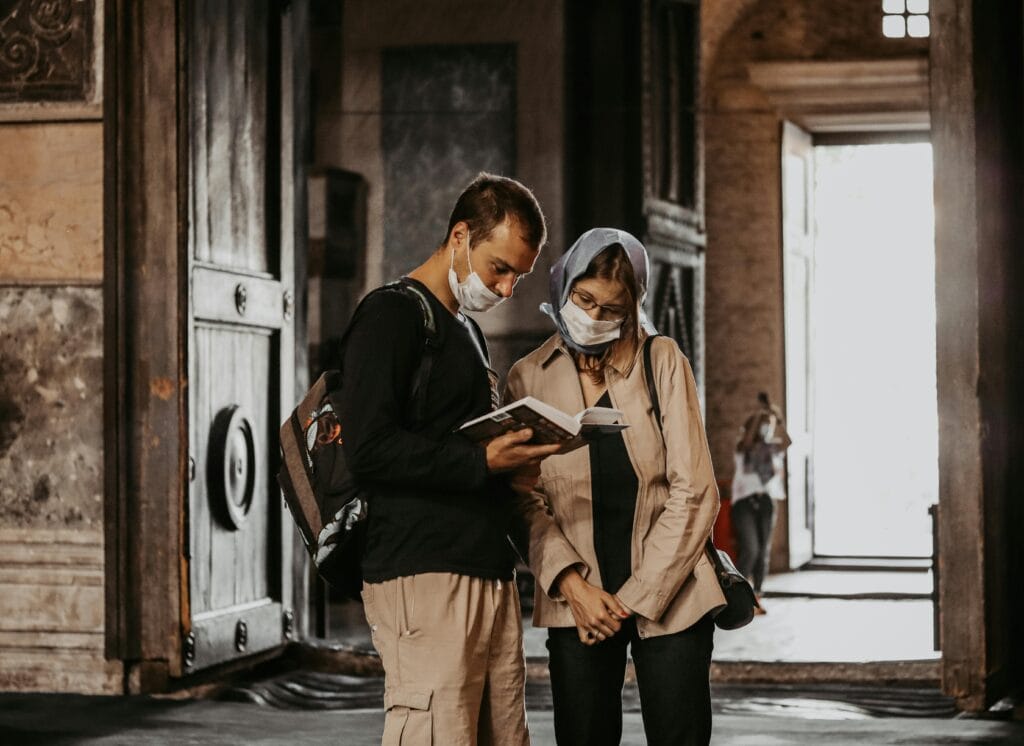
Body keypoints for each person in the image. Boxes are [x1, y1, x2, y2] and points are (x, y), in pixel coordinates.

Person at [336, 173, 561, 746]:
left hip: (485, 568)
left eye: (520, 276)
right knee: (433, 734)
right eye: (499, 268)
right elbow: (368, 449)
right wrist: (484, 461)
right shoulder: (390, 315)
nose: (508, 289)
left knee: (501, 735)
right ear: (460, 236)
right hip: (422, 567)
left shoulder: (467, 332)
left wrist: (515, 461)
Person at [506, 228, 727, 746]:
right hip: (577, 600)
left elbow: (695, 489)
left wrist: (634, 598)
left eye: (612, 308)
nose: (595, 315)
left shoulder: (662, 359)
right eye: (585, 300)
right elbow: (522, 499)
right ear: (563, 285)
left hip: (673, 591)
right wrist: (573, 588)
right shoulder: (526, 377)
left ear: (632, 307)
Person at [730, 392, 792, 611]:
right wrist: (759, 415)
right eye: (762, 426)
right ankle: (738, 597)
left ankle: (756, 597)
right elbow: (748, 439)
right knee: (751, 549)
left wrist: (776, 417)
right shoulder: (743, 448)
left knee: (763, 551)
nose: (765, 429)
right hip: (745, 502)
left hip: (766, 501)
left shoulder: (772, 448)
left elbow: (788, 441)